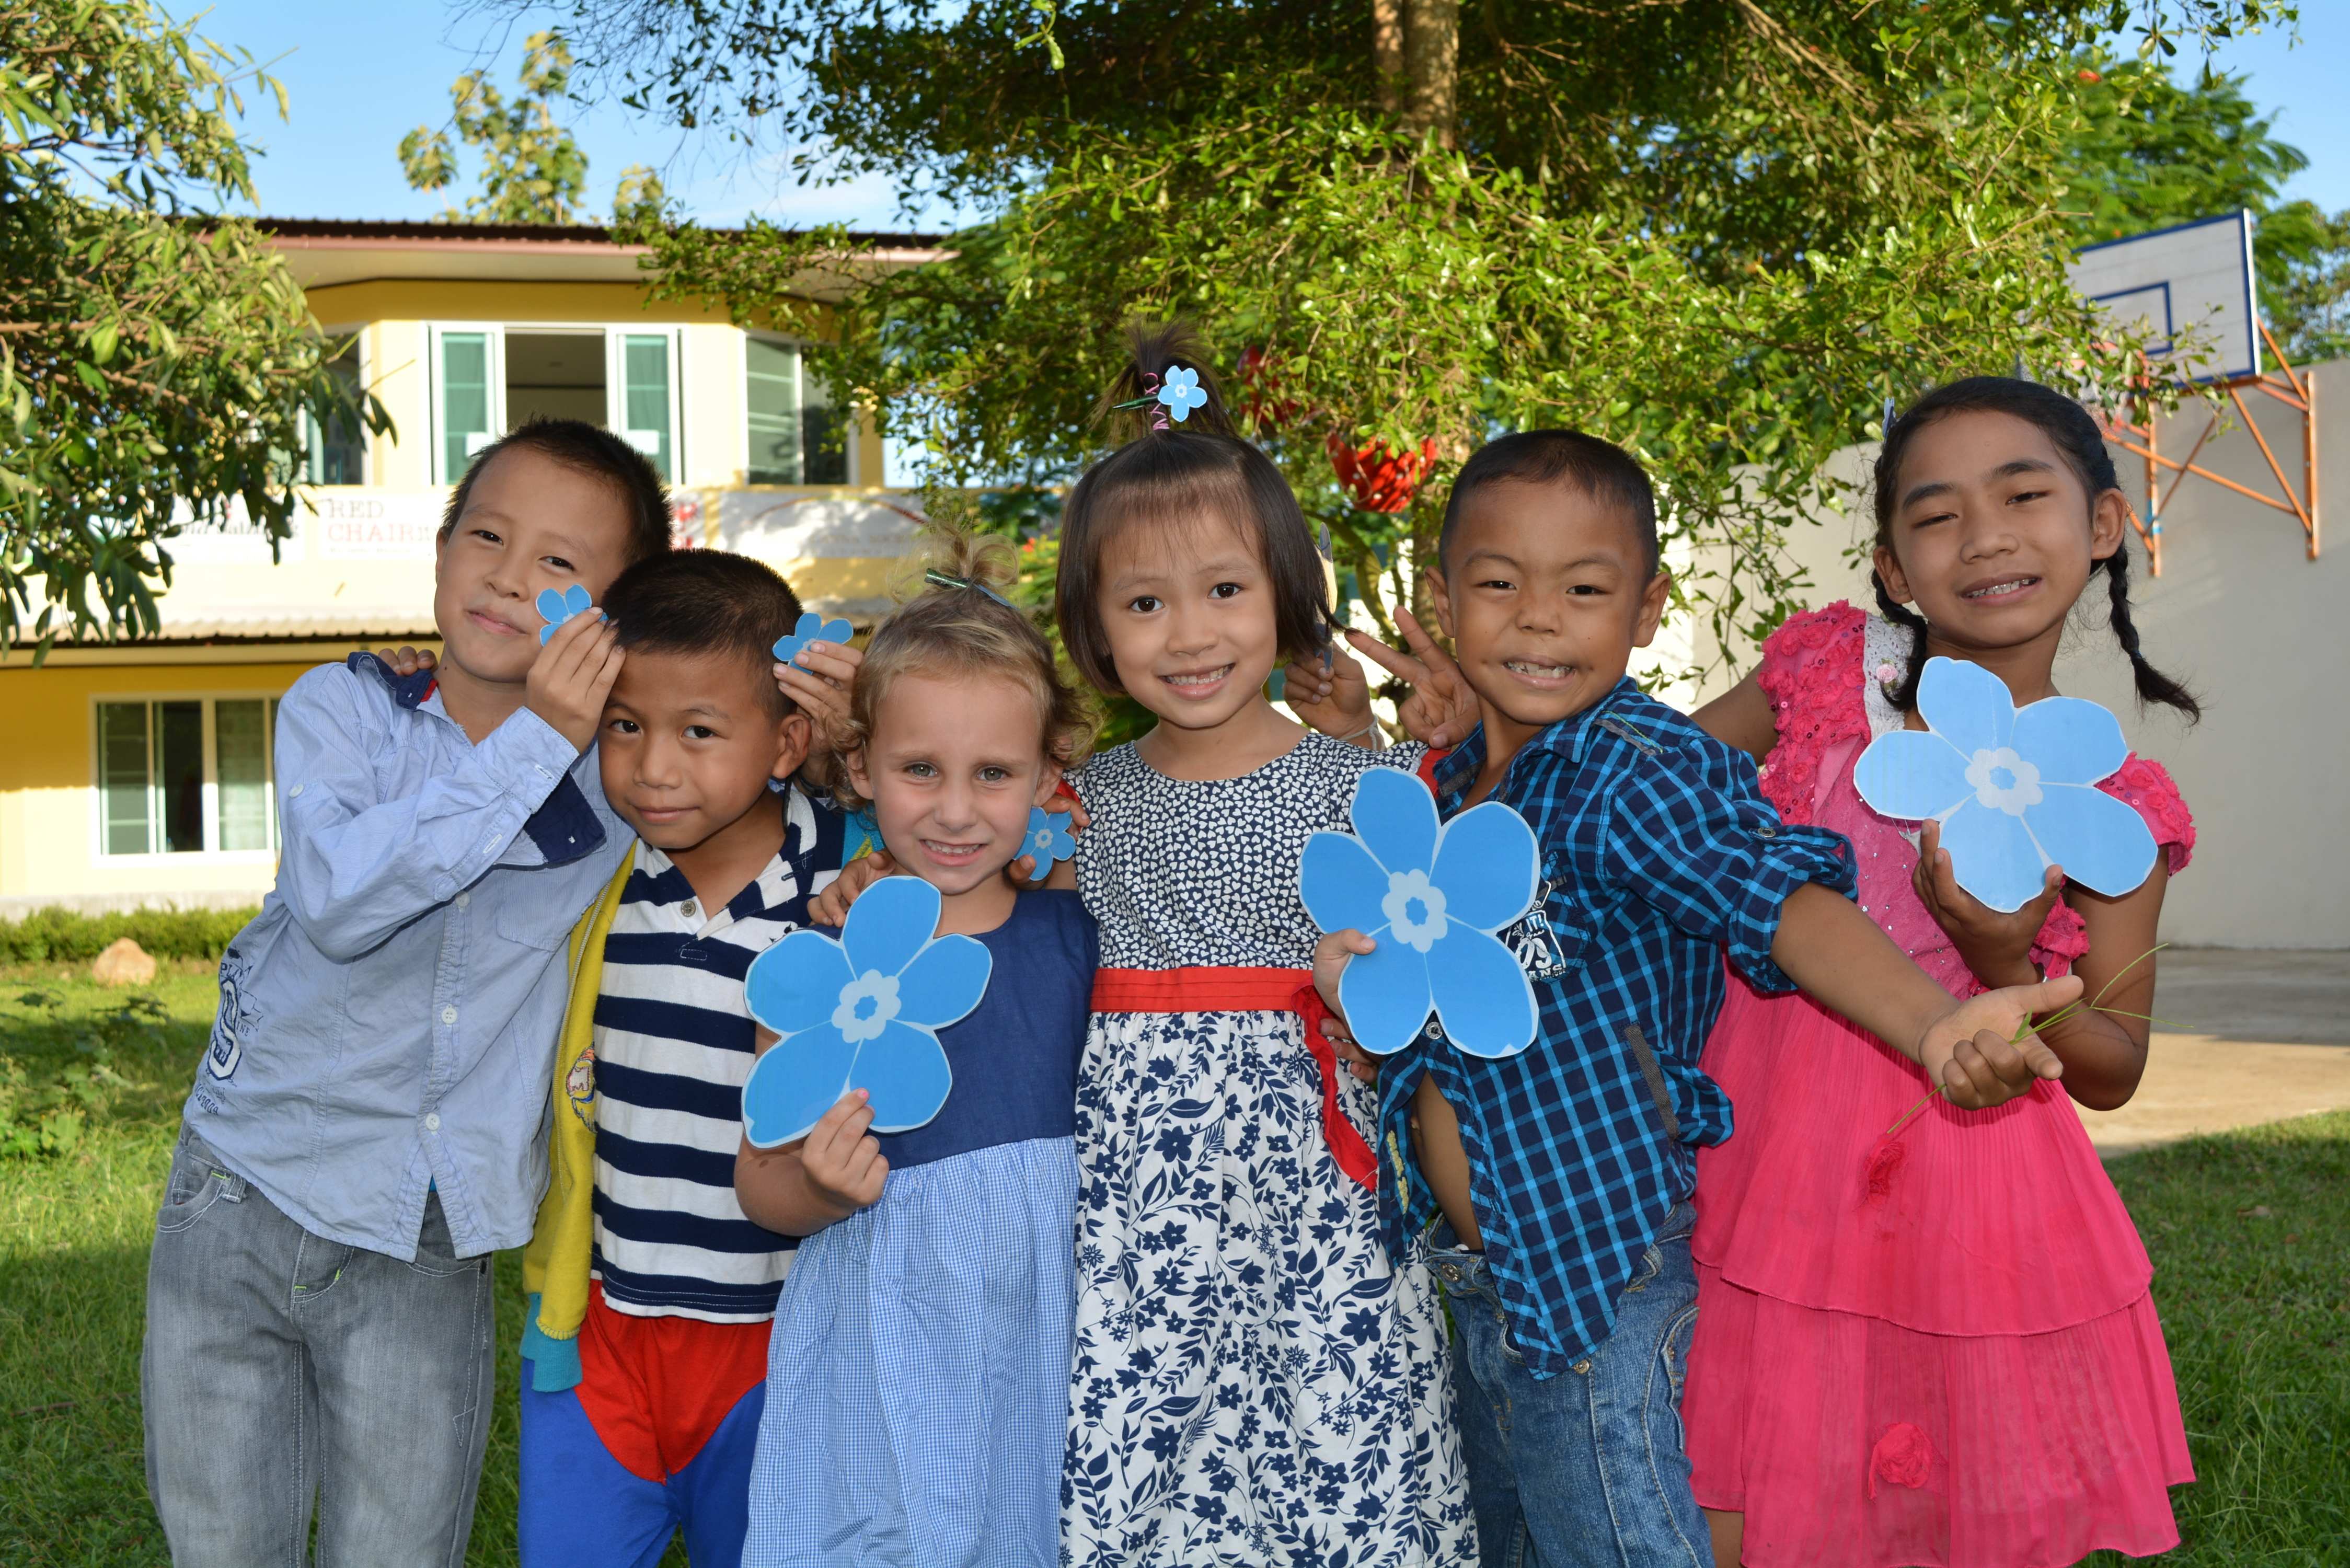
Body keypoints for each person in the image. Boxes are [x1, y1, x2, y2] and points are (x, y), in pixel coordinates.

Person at [1311, 428, 2086, 1568]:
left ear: (1643, 609)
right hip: (1484, 1284)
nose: (1536, 617)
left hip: (1598, 1277)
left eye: (1583, 589)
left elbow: (1781, 902)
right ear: (1445, 595)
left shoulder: (1637, 771)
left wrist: (1933, 1023)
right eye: (1497, 584)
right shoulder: (1447, 780)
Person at [811, 327, 1477, 1564]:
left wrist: (1371, 1001)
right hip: (1138, 1210)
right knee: (1155, 1460)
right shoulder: (1080, 803)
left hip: (1310, 1198)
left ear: (1287, 591)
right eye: (1144, 602)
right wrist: (876, 884)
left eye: (1224, 591)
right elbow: (965, 876)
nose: (1189, 634)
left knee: (1339, 1450)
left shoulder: (1371, 785)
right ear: (1095, 627)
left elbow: (1476, 977)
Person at [1681, 378, 2199, 1567]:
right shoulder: (1821, 671)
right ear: (1894, 568)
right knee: (1735, 1490)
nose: (1987, 538)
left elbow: (2113, 1067)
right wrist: (1491, 735)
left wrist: (2002, 959)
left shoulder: (2115, 806)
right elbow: (1652, 778)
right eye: (1937, 515)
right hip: (1763, 1153)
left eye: (2023, 495)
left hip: (1975, 1193)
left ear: (2103, 525)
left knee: (1939, 1512)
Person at [142, 418, 667, 1566]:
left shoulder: (625, 781)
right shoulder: (342, 709)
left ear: (613, 622)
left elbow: (749, 795)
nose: (509, 574)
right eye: (485, 533)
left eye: (560, 564)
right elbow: (338, 898)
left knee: (398, 1550)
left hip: (428, 1227)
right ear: (440, 551)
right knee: (222, 1543)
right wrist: (536, 738)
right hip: (244, 1188)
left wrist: (828, 739)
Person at [735, 528, 1100, 1567]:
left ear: (1046, 773)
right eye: (917, 769)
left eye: (993, 773)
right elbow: (760, 1185)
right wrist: (821, 1187)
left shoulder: (1079, 940)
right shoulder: (820, 964)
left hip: (1044, 1334)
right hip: (881, 1332)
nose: (952, 809)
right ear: (860, 766)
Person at [514, 549, 867, 1566]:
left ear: (789, 738)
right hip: (603, 1336)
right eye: (625, 725)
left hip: (782, 1349)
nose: (654, 766)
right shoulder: (590, 874)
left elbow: (993, 838)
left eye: (699, 732)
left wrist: (870, 736)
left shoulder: (854, 872)